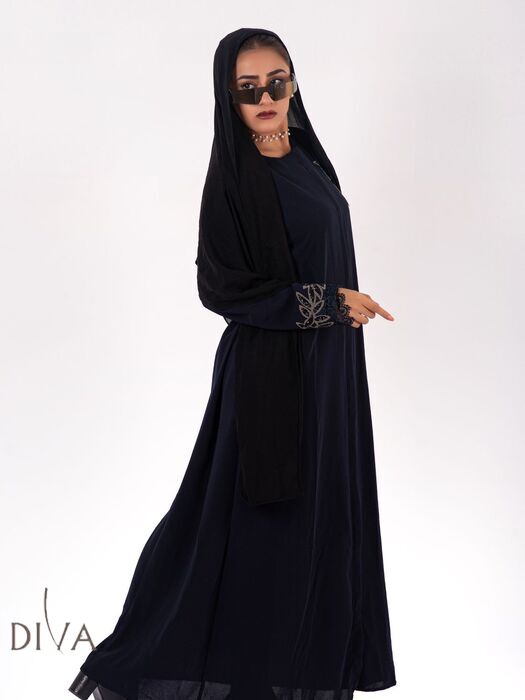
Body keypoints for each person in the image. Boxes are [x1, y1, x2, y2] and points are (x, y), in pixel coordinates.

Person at [68, 27, 397, 700]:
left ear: (293, 84)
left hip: (328, 373)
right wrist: (329, 302)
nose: (266, 98)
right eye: (249, 90)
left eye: (277, 82)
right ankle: (158, 667)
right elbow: (221, 288)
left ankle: (300, 672)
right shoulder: (234, 179)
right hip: (270, 380)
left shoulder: (307, 158)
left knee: (316, 526)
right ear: (228, 98)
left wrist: (334, 313)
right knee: (239, 528)